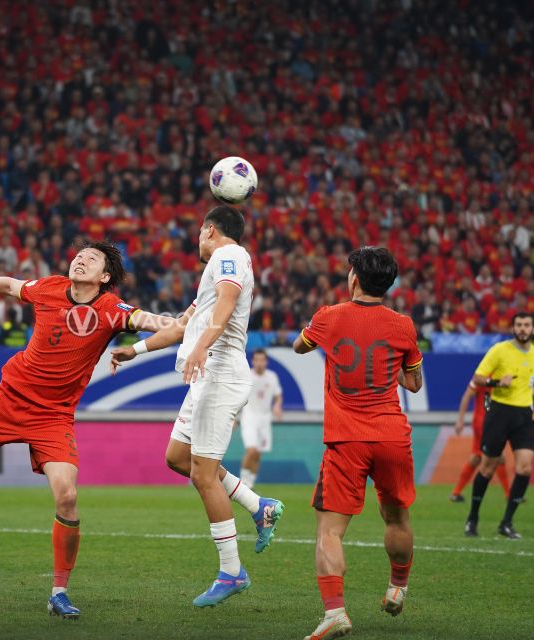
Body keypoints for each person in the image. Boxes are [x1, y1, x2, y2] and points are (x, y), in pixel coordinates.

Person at [0, 241, 171, 619]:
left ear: (104, 277)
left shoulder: (110, 309)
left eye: (91, 258)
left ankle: (58, 593)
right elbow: (10, 285)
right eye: (79, 254)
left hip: (53, 416)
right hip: (9, 398)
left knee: (67, 496)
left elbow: (153, 322)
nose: (81, 258)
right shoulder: (50, 287)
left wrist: (182, 323)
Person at [111, 206, 284, 608]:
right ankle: (259, 506)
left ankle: (232, 571)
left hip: (219, 372)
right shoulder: (213, 272)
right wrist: (135, 350)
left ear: (209, 230)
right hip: (207, 376)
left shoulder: (229, 255)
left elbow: (227, 301)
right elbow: (179, 325)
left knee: (203, 474)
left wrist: (203, 347)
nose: (197, 241)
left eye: (198, 233)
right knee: (178, 457)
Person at [291, 247, 423, 640]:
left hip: (346, 439)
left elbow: (300, 347)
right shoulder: (403, 326)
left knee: (329, 531)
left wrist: (323, 341)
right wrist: (387, 365)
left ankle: (335, 612)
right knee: (397, 517)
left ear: (353, 278)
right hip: (391, 437)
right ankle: (397, 587)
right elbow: (413, 383)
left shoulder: (328, 317)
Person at [464, 313, 534, 540]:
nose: (522, 329)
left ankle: (507, 522)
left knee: (525, 468)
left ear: (533, 328)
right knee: (487, 467)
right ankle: (473, 517)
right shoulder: (499, 350)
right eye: (518, 325)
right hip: (500, 412)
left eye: (526, 325)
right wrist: (497, 382)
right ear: (513, 328)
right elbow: (478, 377)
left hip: (524, 416)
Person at [449, 382, 510, 502]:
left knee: (477, 457)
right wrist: (460, 420)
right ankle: (509, 494)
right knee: (498, 456)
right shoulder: (483, 376)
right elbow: (467, 396)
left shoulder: (497, 374)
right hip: (484, 424)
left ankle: (456, 493)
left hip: (490, 422)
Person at [239, 349, 283, 490]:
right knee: (251, 450)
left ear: (266, 361)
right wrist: (234, 417)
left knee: (258, 453)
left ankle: (250, 482)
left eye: (262, 360)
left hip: (265, 418)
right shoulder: (247, 377)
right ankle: (242, 481)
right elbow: (238, 398)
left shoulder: (272, 376)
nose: (259, 363)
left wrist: (277, 405)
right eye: (257, 360)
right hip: (249, 417)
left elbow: (278, 395)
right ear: (252, 361)